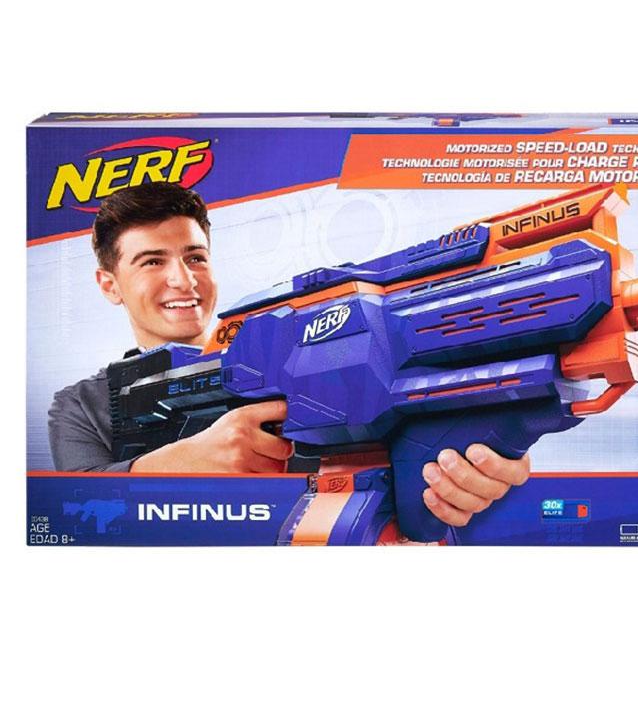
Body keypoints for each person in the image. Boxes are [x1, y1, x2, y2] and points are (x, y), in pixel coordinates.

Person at [48, 184, 530, 529]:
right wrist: (177, 464)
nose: (184, 280)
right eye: (152, 261)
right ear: (109, 284)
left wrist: (484, 448)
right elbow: (68, 511)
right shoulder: (83, 403)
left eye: (195, 257)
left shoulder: (291, 344)